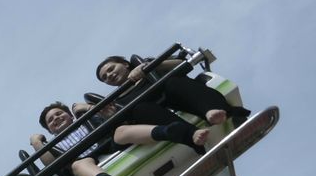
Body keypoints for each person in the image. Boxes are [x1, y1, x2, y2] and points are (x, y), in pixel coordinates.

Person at [29, 101, 205, 176]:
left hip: (107, 143)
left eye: (59, 114)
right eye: (51, 121)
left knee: (121, 130)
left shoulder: (86, 120)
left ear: (69, 115)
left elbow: (110, 114)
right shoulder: (55, 144)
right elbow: (50, 164)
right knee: (78, 165)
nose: (56, 119)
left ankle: (167, 132)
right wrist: (37, 142)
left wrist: (86, 107)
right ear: (49, 130)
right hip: (85, 159)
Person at [95, 55, 250, 132]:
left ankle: (215, 111)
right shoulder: (118, 99)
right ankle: (191, 134)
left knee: (173, 83)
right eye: (105, 78)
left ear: (124, 64)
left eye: (111, 69)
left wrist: (147, 67)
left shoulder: (147, 64)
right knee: (140, 109)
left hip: (178, 95)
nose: (109, 75)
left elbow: (182, 64)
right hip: (158, 115)